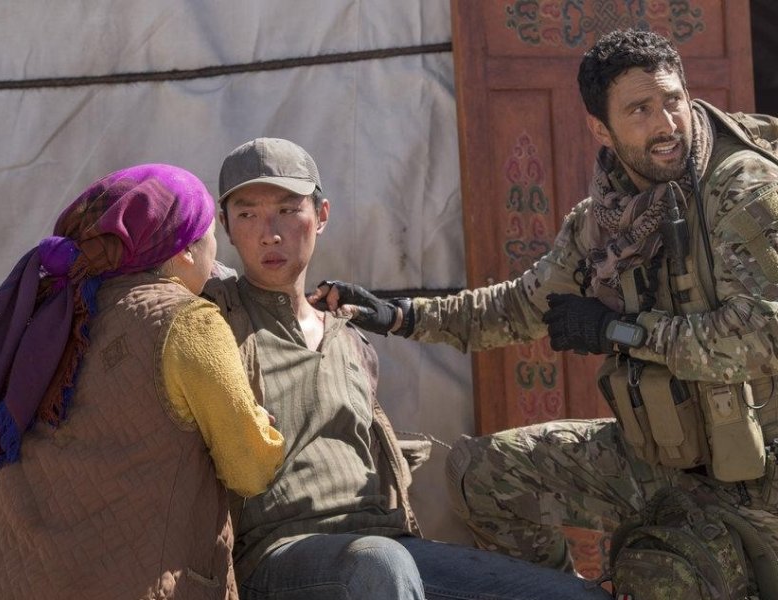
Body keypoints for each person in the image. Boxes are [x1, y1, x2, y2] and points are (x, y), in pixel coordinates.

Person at [312, 28, 778, 584]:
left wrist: (619, 331)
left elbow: (761, 337)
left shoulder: (744, 189)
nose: (666, 124)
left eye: (672, 100)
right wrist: (401, 316)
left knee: (664, 580)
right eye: (640, 110)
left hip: (762, 474)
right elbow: (519, 307)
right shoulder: (605, 220)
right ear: (600, 128)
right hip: (666, 457)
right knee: (481, 475)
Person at [202, 137, 611, 599]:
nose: (269, 233)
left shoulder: (349, 338)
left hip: (385, 543)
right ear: (224, 226)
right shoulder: (214, 322)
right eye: (247, 214)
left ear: (322, 215)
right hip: (278, 556)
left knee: (574, 596)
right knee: (379, 564)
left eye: (287, 209)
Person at [0, 164, 285, 600]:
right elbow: (250, 469)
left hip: (11, 577)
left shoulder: (46, 309)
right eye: (211, 239)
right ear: (185, 250)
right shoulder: (187, 322)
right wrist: (259, 427)